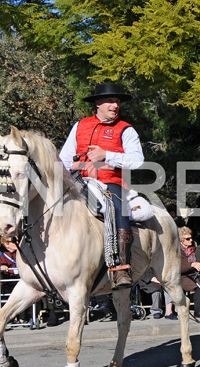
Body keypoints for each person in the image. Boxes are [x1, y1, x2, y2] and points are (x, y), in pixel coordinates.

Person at [59, 82, 144, 289]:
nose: (115, 105)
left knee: (118, 206)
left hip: (110, 183)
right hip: (78, 181)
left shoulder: (126, 129)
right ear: (98, 103)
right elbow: (64, 158)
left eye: (117, 102)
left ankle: (122, 267)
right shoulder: (80, 125)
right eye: (110, 101)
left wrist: (107, 155)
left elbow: (138, 160)